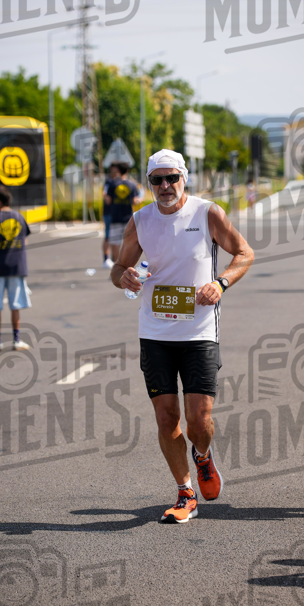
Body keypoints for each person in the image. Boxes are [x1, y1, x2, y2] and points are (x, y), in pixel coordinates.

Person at [111, 149, 254, 523]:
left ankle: (203, 456)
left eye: (171, 177)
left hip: (199, 330)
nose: (165, 186)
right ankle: (185, 491)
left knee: (199, 418)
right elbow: (119, 267)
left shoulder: (208, 213)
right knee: (165, 417)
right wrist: (123, 276)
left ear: (184, 178)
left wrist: (220, 283)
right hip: (155, 331)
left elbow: (244, 253)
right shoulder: (140, 220)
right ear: (148, 183)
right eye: (157, 179)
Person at [0, 187, 31, 352]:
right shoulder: (19, 217)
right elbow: (24, 242)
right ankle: (16, 339)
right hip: (17, 266)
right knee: (15, 305)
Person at [107, 163, 139, 262]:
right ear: (127, 171)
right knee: (128, 244)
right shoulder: (132, 185)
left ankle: (116, 265)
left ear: (118, 171)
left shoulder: (113, 184)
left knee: (115, 243)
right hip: (128, 218)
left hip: (115, 217)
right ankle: (125, 267)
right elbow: (134, 201)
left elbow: (108, 201)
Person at [101, 163, 120, 267]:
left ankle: (113, 259)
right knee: (108, 236)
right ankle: (105, 259)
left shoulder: (118, 181)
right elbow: (105, 193)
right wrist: (107, 198)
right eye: (115, 168)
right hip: (108, 213)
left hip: (115, 213)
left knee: (114, 237)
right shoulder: (108, 181)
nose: (116, 171)